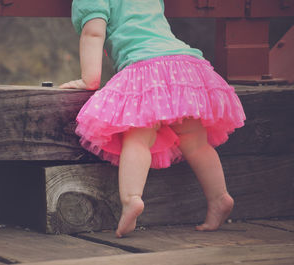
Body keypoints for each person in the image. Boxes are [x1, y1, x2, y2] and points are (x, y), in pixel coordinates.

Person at [60, 0, 246, 238]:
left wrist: (90, 80)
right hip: (185, 65)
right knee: (196, 142)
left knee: (137, 140)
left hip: (145, 68)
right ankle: (219, 197)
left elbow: (93, 32)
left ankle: (132, 200)